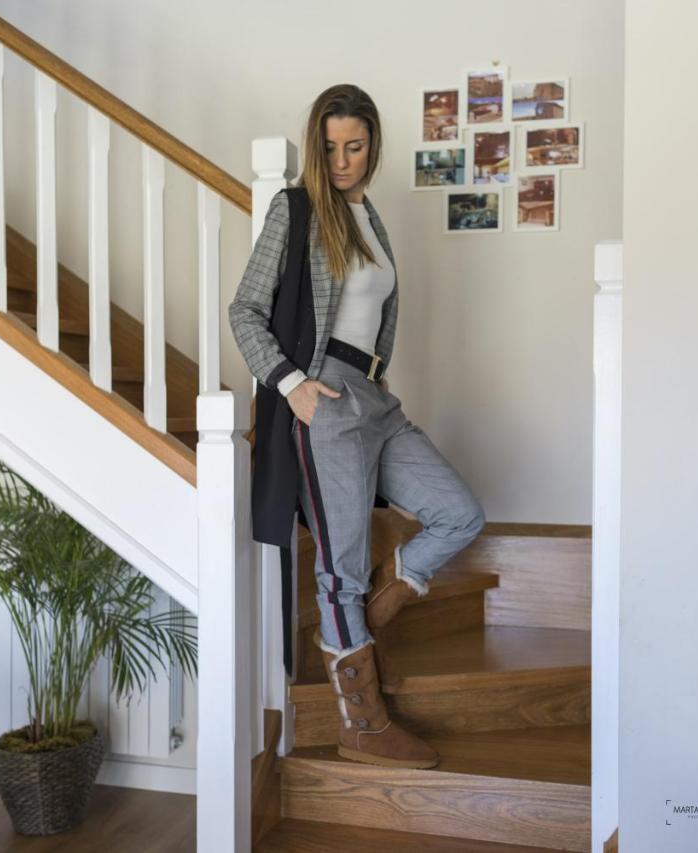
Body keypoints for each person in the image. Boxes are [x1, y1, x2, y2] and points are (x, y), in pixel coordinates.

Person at [228, 84, 486, 769]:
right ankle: (363, 724)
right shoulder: (297, 209)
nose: (342, 161)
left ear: (373, 144)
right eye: (331, 147)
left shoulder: (369, 215)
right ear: (317, 145)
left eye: (356, 146)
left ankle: (368, 613)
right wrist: (292, 386)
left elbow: (376, 310)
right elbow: (245, 308)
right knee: (338, 571)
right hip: (329, 397)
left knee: (459, 512)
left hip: (376, 396)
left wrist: (373, 389)